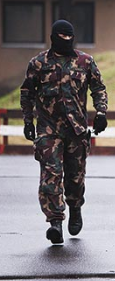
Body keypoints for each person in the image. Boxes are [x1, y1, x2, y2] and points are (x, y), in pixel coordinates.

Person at [20, 19, 108, 244]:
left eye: (70, 37)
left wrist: (101, 113)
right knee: (51, 176)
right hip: (49, 130)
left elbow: (98, 88)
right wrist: (28, 121)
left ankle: (75, 206)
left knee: (75, 178)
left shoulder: (85, 62)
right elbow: (27, 93)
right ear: (53, 37)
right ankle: (55, 222)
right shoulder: (39, 63)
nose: (66, 41)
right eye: (62, 37)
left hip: (76, 131)